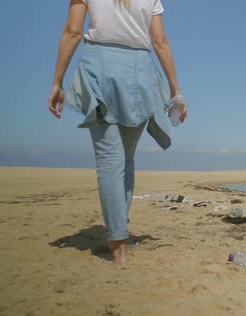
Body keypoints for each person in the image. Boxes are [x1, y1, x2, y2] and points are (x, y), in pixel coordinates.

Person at [48, 0, 186, 267]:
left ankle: (118, 244)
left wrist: (57, 81)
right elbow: (160, 42)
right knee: (126, 160)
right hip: (139, 72)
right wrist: (175, 90)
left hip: (99, 66)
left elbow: (73, 32)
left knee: (109, 161)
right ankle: (119, 231)